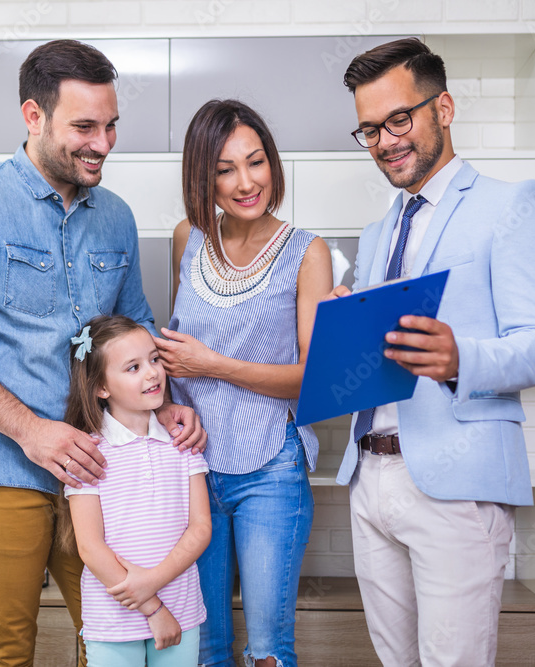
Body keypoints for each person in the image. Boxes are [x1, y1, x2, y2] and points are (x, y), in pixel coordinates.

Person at [0, 39, 204, 667]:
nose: (103, 143)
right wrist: (33, 431)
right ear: (33, 117)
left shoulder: (115, 217)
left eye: (112, 125)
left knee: (113, 639)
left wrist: (165, 401)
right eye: (85, 126)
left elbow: (133, 329)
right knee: (6, 650)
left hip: (99, 474)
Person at [329, 38, 535, 666]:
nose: (386, 140)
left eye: (399, 118)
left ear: (445, 108)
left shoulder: (511, 205)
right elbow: (383, 354)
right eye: (370, 129)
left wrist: (461, 358)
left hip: (456, 485)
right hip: (369, 476)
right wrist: (343, 328)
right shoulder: (378, 231)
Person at [155, 99, 333, 667]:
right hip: (192, 467)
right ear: (202, 177)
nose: (246, 181)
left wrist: (213, 365)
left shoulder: (308, 252)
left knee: (267, 651)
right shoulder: (188, 238)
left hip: (270, 468)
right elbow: (172, 347)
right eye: (225, 169)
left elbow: (314, 379)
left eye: (256, 162)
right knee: (203, 648)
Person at [62, 315, 211, 667]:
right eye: (133, 367)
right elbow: (91, 547)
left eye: (154, 359)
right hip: (113, 619)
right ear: (101, 387)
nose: (152, 373)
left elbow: (201, 528)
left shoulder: (182, 442)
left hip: (181, 610)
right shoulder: (88, 453)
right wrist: (152, 606)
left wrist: (152, 584)